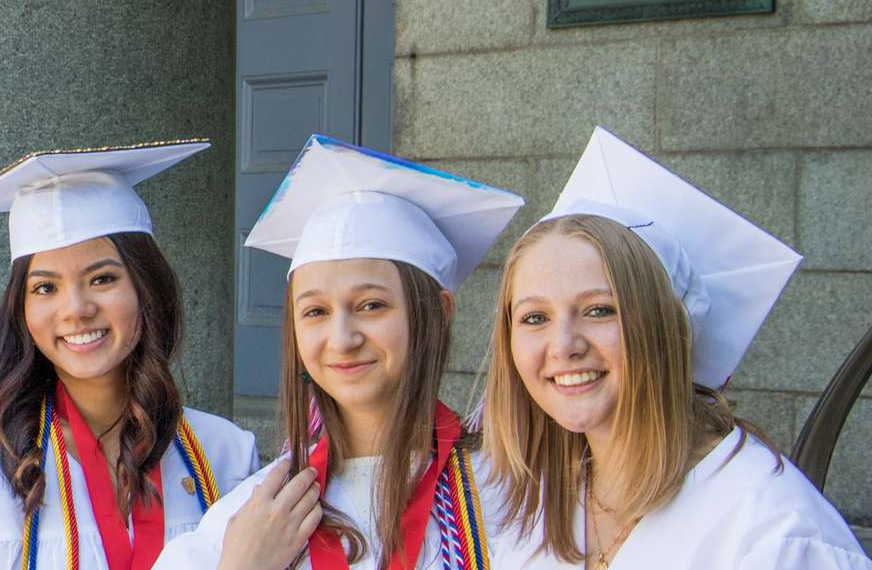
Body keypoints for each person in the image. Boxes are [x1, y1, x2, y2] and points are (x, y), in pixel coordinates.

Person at [482, 128, 870, 569]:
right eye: (535, 318)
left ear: (667, 328)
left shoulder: (771, 531)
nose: (564, 345)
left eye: (600, 310)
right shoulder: (534, 505)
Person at [156, 135, 526, 570]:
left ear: (439, 312)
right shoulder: (254, 517)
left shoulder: (510, 494)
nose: (342, 337)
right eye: (315, 311)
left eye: (372, 305)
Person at [0, 140, 260, 570]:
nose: (76, 309)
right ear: (22, 310)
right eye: (45, 287)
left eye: (102, 279)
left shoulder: (222, 455)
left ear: (146, 288)